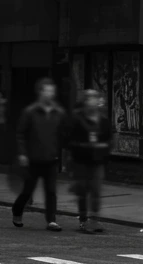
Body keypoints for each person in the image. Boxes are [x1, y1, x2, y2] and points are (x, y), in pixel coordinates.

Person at [11, 77, 66, 231]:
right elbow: (20, 134)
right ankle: (17, 210)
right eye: (47, 91)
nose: (50, 94)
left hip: (51, 159)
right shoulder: (30, 112)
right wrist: (22, 154)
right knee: (28, 191)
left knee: (51, 191)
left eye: (52, 91)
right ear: (40, 93)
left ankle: (51, 220)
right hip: (32, 159)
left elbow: (62, 134)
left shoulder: (59, 112)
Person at [63, 89, 114, 233]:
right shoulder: (76, 120)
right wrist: (82, 147)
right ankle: (83, 220)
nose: (94, 102)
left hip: (98, 161)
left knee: (96, 190)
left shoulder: (103, 121)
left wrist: (105, 149)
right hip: (80, 162)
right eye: (90, 99)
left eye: (95, 99)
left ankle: (95, 220)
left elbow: (110, 139)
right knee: (83, 190)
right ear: (85, 102)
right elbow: (67, 141)